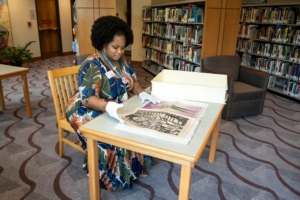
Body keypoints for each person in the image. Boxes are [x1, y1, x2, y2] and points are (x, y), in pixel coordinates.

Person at [65, 16, 161, 191]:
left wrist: (143, 94)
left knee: (136, 122)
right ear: (103, 43)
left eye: (123, 48)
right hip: (86, 108)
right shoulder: (91, 64)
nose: (119, 52)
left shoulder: (123, 61)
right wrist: (106, 106)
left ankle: (133, 168)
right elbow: (87, 98)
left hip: (114, 104)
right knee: (109, 137)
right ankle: (111, 177)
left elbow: (135, 81)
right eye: (115, 47)